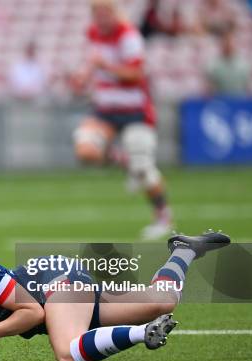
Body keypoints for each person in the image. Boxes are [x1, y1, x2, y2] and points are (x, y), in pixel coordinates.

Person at [0, 224, 230, 361]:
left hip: (55, 280)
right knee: (162, 301)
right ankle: (185, 251)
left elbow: (31, 313)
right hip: (55, 297)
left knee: (66, 354)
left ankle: (143, 334)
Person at [70, 0, 172, 240]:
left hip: (134, 110)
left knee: (144, 170)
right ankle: (124, 160)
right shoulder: (93, 33)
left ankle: (163, 215)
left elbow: (136, 74)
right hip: (105, 108)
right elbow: (93, 65)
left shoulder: (128, 36)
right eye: (97, 12)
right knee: (85, 150)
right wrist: (82, 78)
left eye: (106, 11)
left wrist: (105, 66)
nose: (102, 17)